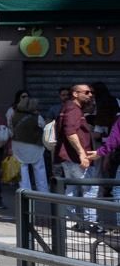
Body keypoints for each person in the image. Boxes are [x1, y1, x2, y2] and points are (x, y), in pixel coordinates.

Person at [57, 83, 98, 218]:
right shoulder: (73, 109)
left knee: (71, 188)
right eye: (86, 92)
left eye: (90, 92)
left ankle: (71, 220)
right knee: (90, 188)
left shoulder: (70, 108)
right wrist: (82, 154)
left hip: (69, 157)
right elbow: (70, 132)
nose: (90, 95)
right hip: (75, 158)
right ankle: (90, 223)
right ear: (75, 94)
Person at [9, 93, 49, 196]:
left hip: (18, 146)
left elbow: (10, 129)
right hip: (35, 145)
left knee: (22, 169)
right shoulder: (37, 117)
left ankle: (25, 192)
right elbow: (43, 126)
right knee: (39, 169)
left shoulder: (14, 115)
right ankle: (43, 192)